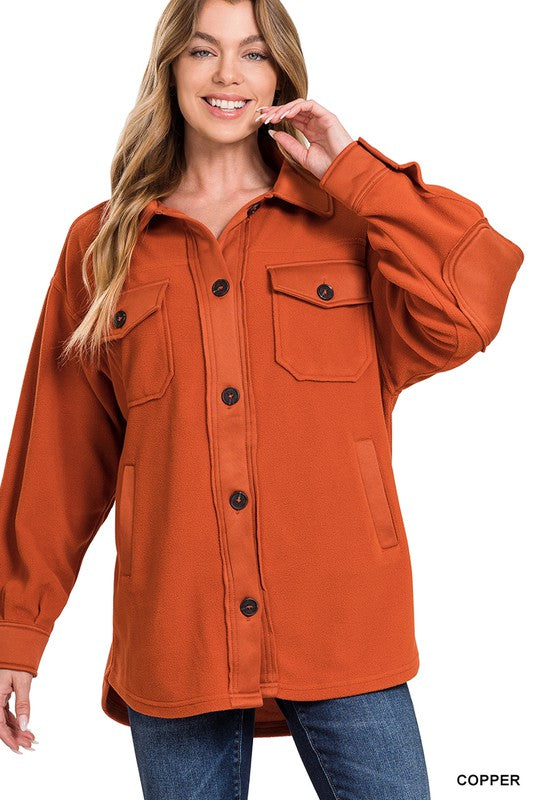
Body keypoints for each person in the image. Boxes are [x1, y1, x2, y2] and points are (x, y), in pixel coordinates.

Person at [0, 0, 524, 797]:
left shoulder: (353, 225)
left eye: (252, 54)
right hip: (176, 632)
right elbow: (58, 458)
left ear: (280, 74)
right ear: (170, 69)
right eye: (201, 51)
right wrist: (16, 630)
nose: (227, 75)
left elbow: (471, 301)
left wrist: (352, 169)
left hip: (343, 622)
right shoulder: (103, 244)